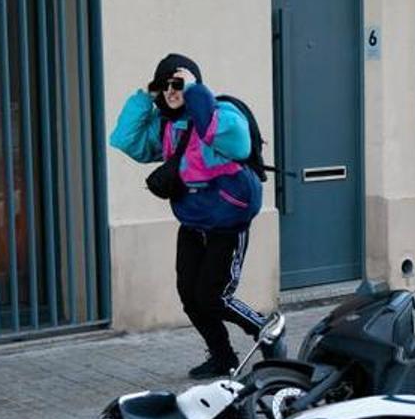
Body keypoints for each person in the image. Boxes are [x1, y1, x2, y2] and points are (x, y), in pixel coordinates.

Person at [109, 53, 284, 379]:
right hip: (192, 223)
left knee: (213, 296)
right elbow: (125, 140)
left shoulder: (221, 113)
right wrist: (145, 97)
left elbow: (239, 144)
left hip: (227, 223)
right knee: (190, 297)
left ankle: (265, 327)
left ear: (194, 85)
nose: (171, 91)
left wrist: (197, 95)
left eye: (179, 84)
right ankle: (223, 357)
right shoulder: (165, 125)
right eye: (164, 86)